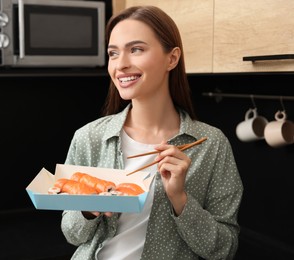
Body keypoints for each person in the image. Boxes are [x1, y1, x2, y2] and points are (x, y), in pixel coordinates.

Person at [61, 5, 243, 260]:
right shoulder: (89, 138)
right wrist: (89, 210)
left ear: (172, 58)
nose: (121, 65)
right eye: (113, 53)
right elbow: (71, 233)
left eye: (136, 49)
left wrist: (179, 199)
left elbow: (224, 248)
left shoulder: (211, 144)